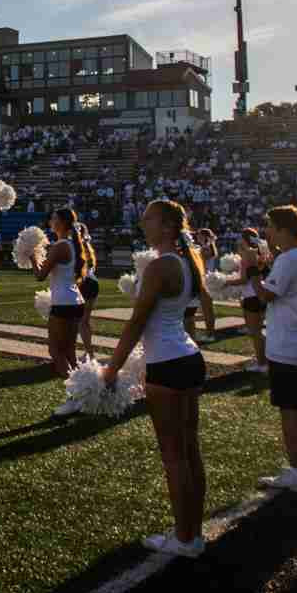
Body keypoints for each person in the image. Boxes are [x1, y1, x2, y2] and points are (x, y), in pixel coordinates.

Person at [100, 199, 206, 557]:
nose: (142, 223)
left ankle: (184, 537)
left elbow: (137, 322)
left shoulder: (161, 265)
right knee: (190, 450)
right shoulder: (187, 261)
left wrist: (111, 368)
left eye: (149, 219)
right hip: (189, 357)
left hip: (167, 363)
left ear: (167, 227)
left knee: (174, 455)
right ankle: (193, 530)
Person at [253, 205, 297, 494]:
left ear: (283, 229)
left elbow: (266, 295)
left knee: (290, 411)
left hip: (288, 345)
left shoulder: (289, 258)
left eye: (270, 226)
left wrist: (251, 272)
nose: (267, 231)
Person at [40, 208, 84, 406]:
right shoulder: (72, 244)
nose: (51, 220)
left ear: (62, 223)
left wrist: (31, 255)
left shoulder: (60, 246)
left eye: (54, 218)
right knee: (69, 351)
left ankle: (75, 393)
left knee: (55, 351)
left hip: (63, 303)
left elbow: (40, 275)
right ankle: (82, 392)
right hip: (74, 301)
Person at [232, 230, 271, 374]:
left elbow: (244, 279)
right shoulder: (259, 251)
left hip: (251, 295)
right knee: (259, 331)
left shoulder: (249, 253)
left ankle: (262, 363)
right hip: (259, 292)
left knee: (255, 332)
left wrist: (226, 282)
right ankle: (264, 360)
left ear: (245, 239)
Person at [75, 223, 102, 361]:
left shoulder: (75, 246)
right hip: (93, 283)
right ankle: (89, 352)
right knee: (84, 321)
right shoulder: (87, 246)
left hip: (84, 283)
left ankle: (88, 353)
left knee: (78, 321)